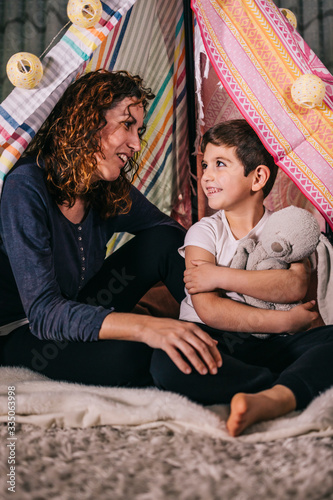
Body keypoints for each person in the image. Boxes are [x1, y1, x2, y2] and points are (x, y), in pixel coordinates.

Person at [0, 69, 222, 387]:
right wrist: (147, 327)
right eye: (126, 124)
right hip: (25, 330)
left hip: (78, 305)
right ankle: (213, 356)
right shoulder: (26, 185)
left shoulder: (105, 185)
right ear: (87, 122)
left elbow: (168, 234)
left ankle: (223, 338)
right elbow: (45, 314)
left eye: (139, 130)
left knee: (166, 240)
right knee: (132, 356)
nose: (135, 143)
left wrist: (227, 281)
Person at [150, 119, 333, 436]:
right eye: (205, 164)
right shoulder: (204, 231)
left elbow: (294, 285)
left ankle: (276, 397)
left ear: (257, 177)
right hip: (211, 337)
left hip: (273, 343)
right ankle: (279, 385)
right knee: (168, 361)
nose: (207, 175)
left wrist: (217, 275)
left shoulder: (286, 226)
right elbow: (209, 308)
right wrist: (284, 322)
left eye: (220, 164)